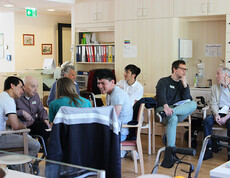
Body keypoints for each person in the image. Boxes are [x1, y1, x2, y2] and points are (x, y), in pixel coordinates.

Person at [155, 60, 197, 147]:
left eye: (186, 69)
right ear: (174, 69)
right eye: (182, 69)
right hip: (162, 109)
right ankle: (171, 152)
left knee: (194, 104)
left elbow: (188, 101)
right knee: (173, 119)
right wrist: (166, 107)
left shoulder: (183, 84)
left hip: (175, 111)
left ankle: (170, 112)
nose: (184, 71)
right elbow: (161, 96)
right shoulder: (163, 81)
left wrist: (185, 86)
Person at [0, 76, 40, 156]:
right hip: (1, 138)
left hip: (3, 133)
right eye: (21, 87)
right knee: (35, 145)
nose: (22, 91)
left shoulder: (2, 96)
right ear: (12, 86)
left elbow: (7, 121)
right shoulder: (9, 99)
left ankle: (14, 166)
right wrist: (24, 126)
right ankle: (22, 166)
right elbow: (15, 126)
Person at [97, 69, 133, 157]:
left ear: (112, 82)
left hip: (120, 132)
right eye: (98, 83)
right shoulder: (111, 93)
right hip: (117, 129)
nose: (100, 86)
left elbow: (113, 118)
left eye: (103, 83)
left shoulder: (116, 94)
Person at [15, 76, 51, 147]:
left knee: (46, 126)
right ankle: (46, 150)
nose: (36, 89)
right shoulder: (17, 96)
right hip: (23, 124)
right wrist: (21, 112)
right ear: (24, 87)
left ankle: (48, 151)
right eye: (33, 86)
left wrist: (45, 119)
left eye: (37, 86)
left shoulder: (35, 95)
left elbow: (41, 110)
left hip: (33, 122)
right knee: (42, 127)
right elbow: (10, 113)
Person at [203, 66, 230, 161]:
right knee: (206, 121)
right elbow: (213, 103)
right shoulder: (214, 87)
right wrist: (215, 114)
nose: (216, 76)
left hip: (229, 114)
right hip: (219, 112)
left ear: (225, 75)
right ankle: (208, 149)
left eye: (218, 74)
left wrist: (226, 118)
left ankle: (229, 152)